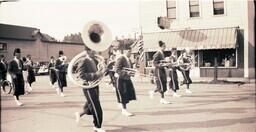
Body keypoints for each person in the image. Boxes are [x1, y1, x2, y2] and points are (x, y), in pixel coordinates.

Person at [74, 47, 105, 132]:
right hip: (88, 86)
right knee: (96, 106)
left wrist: (103, 71)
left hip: (95, 85)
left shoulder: (94, 60)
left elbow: (99, 72)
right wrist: (96, 74)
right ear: (87, 51)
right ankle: (97, 126)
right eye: (92, 50)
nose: (94, 52)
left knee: (91, 104)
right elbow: (81, 75)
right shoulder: (83, 61)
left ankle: (79, 114)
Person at [114, 49, 136, 116]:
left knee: (127, 94)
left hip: (126, 78)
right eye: (129, 52)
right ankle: (124, 110)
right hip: (121, 79)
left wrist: (131, 73)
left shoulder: (128, 59)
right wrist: (126, 73)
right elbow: (117, 69)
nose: (130, 53)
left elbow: (129, 69)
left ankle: (122, 106)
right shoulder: (121, 58)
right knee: (123, 94)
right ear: (125, 51)